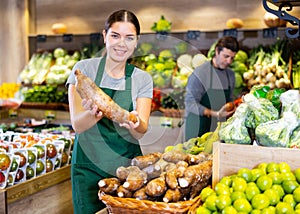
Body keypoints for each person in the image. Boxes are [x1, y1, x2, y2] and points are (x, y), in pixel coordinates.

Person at [66, 9, 153, 213]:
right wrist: (93, 113)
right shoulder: (83, 70)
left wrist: (134, 123)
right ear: (105, 36)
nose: (122, 44)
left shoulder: (142, 79)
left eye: (129, 37)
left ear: (136, 41)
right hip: (88, 169)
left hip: (127, 171)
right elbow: (77, 125)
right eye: (115, 35)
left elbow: (141, 130)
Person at [184, 36, 239, 141]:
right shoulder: (200, 73)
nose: (229, 61)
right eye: (226, 56)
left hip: (217, 130)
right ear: (217, 51)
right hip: (197, 128)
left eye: (232, 58)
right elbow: (190, 103)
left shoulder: (230, 75)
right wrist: (215, 114)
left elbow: (230, 100)